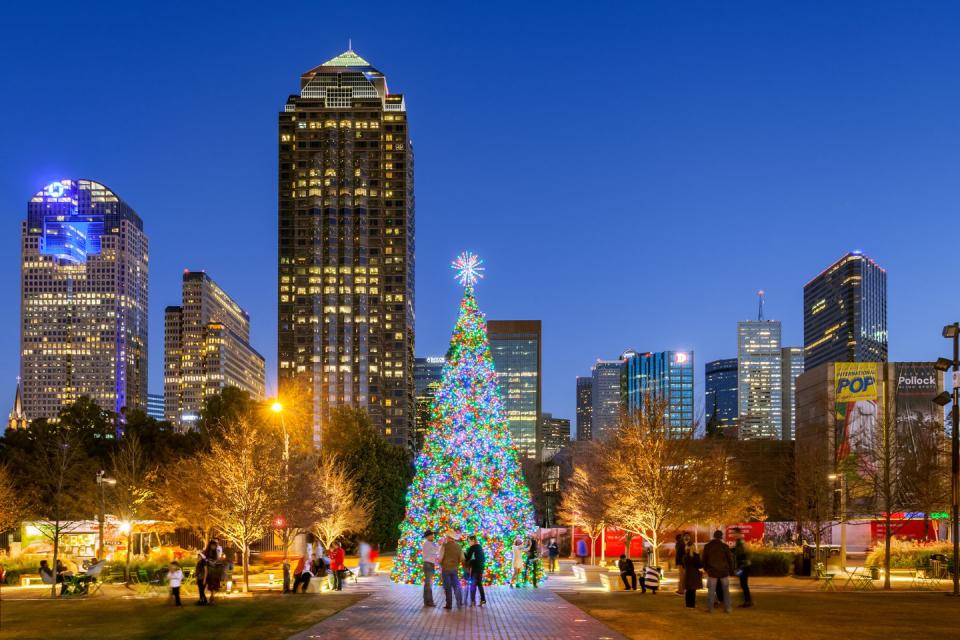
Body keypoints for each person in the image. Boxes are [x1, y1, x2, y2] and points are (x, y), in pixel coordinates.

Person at [701, 530, 735, 614]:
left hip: (712, 572)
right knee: (726, 591)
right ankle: (728, 608)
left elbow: (704, 559)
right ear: (721, 537)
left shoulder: (708, 546)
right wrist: (731, 570)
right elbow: (730, 559)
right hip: (724, 571)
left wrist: (706, 568)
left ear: (714, 536)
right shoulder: (725, 546)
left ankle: (710, 608)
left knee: (711, 591)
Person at [439, 531, 464, 609]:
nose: (446, 538)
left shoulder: (444, 546)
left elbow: (440, 557)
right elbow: (462, 558)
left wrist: (440, 563)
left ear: (449, 538)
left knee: (447, 587)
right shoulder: (459, 547)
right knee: (456, 586)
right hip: (454, 569)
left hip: (446, 569)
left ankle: (449, 604)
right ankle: (459, 602)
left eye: (447, 537)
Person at [732, 528, 753, 608]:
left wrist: (738, 569)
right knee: (743, 584)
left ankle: (748, 601)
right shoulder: (740, 542)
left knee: (743, 584)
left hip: (743, 567)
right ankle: (747, 601)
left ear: (738, 533)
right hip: (744, 566)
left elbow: (740, 555)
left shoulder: (740, 542)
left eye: (734, 533)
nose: (733, 535)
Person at [465, 535, 487, 606]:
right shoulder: (480, 547)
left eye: (469, 541)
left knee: (473, 584)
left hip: (475, 568)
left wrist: (464, 553)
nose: (469, 543)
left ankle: (473, 601)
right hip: (481, 568)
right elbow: (483, 558)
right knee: (479, 583)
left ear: (473, 541)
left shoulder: (472, 547)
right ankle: (483, 600)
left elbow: (468, 558)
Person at [421, 530, 440, 607]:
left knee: (428, 584)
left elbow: (435, 553)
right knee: (429, 584)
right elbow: (435, 551)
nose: (433, 536)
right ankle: (429, 602)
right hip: (428, 565)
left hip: (430, 564)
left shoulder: (431, 543)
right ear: (427, 536)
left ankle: (427, 601)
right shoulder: (427, 544)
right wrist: (439, 545)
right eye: (431, 535)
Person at [682, 543, 703, 609]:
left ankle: (688, 604)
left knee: (688, 590)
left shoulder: (685, 556)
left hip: (687, 574)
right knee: (693, 590)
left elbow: (683, 566)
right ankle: (692, 605)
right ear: (693, 547)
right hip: (694, 574)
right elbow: (699, 565)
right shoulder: (695, 556)